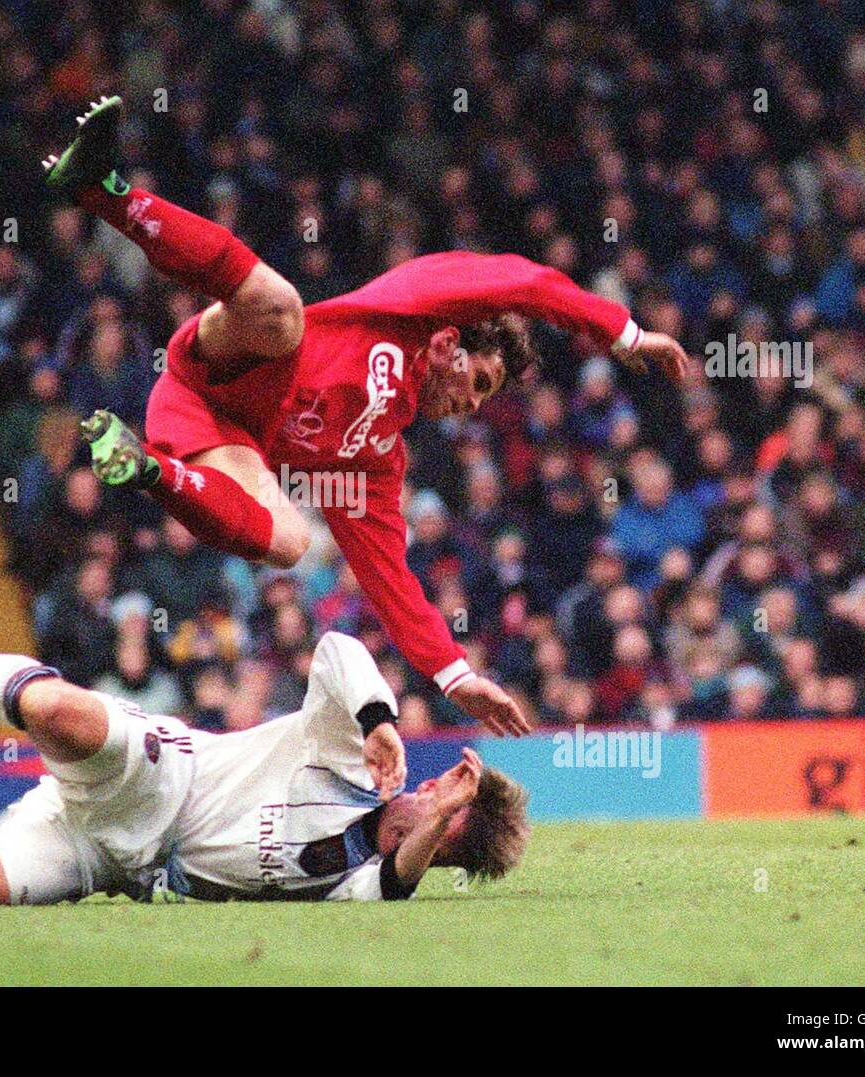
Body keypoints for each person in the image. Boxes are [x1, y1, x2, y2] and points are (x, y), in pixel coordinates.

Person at [41, 96, 690, 736]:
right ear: (451, 344)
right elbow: (522, 281)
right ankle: (104, 190)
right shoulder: (410, 307)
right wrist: (624, 333)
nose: (470, 403)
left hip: (213, 431)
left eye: (484, 401)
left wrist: (455, 675)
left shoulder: (377, 456)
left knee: (288, 541)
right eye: (480, 381)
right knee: (280, 306)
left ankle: (143, 465)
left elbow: (391, 579)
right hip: (223, 361)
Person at [0, 615, 530, 905]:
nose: (430, 829)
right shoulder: (349, 760)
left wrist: (437, 823)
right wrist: (378, 719)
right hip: (161, 774)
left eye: (443, 839)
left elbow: (397, 881)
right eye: (441, 809)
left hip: (110, 857)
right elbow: (338, 650)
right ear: (438, 781)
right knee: (57, 713)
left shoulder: (359, 884)